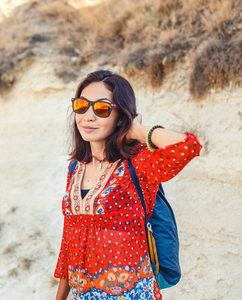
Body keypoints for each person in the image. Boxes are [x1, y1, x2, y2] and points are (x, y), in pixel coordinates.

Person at [54, 70, 201, 300]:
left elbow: (187, 146)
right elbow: (69, 242)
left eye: (101, 108)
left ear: (120, 116)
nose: (88, 116)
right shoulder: (75, 168)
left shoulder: (137, 164)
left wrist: (137, 130)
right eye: (81, 105)